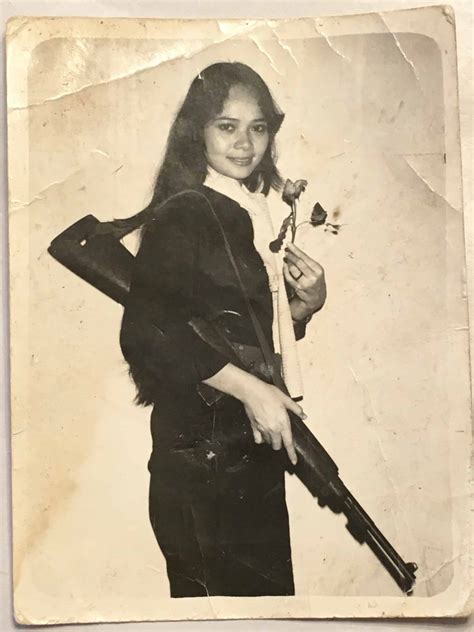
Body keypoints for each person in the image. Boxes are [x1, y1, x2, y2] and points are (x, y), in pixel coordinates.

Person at [119, 62, 326, 598]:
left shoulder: (244, 210)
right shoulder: (189, 209)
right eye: (226, 126)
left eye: (258, 127)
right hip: (201, 460)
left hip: (241, 449)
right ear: (198, 130)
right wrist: (254, 390)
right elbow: (147, 333)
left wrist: (302, 310)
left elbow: (228, 336)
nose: (244, 143)